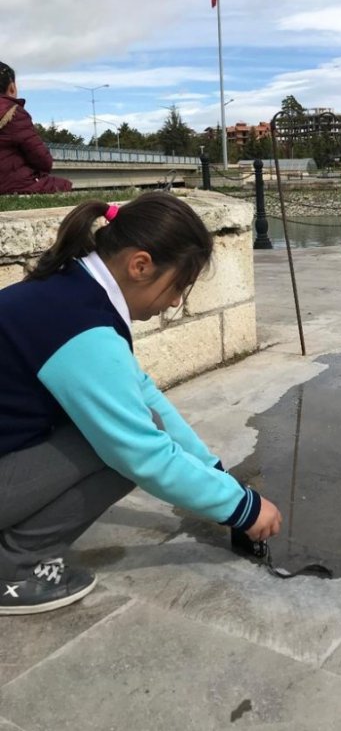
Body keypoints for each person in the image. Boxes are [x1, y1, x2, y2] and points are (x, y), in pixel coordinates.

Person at [0, 192, 282, 615]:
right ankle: (13, 570)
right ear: (140, 265)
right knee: (117, 451)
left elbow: (141, 393)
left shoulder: (67, 290)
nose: (174, 302)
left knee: (131, 425)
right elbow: (140, 451)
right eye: (179, 286)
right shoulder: (81, 328)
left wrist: (213, 471)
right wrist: (242, 509)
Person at [0, 62, 72, 194]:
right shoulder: (14, 113)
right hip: (11, 185)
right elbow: (42, 160)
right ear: (11, 88)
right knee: (64, 185)